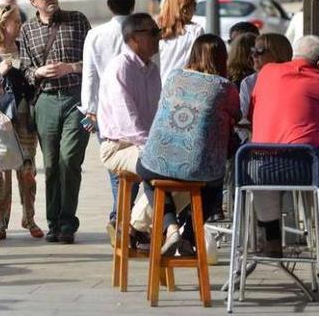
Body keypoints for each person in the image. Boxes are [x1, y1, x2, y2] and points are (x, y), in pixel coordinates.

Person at [135, 34, 239, 255]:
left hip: (155, 161)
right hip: (198, 168)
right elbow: (237, 116)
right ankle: (190, 236)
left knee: (148, 177)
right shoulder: (225, 87)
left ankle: (171, 228)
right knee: (214, 184)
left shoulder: (174, 76)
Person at [18, 0, 91, 244]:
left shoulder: (78, 20)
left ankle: (68, 222)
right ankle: (53, 223)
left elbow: (94, 63)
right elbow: (24, 72)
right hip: (45, 100)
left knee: (69, 159)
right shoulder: (27, 30)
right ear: (33, 1)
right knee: (51, 164)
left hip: (76, 99)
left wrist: (69, 67)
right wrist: (38, 71)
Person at [248, 35, 319, 256]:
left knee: (264, 165)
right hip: (303, 167)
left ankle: (272, 240)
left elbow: (252, 113)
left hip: (258, 168)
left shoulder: (267, 73)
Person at [79, 0, 137, 235]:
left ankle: (120, 216)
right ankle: (125, 216)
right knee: (135, 164)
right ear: (133, 3)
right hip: (137, 109)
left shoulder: (96, 35)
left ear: (108, 4)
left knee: (115, 166)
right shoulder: (142, 31)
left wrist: (89, 110)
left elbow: (89, 75)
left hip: (106, 111)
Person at [0, 5, 43, 240]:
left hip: (25, 116)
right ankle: (0, 224)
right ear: (1, 23)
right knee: (0, 172)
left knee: (27, 171)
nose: (19, 26)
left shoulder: (24, 48)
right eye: (15, 22)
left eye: (19, 21)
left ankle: (29, 218)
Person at [97, 14, 161, 177]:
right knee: (160, 168)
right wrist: (154, 147)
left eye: (158, 31)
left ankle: (156, 204)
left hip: (143, 144)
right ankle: (157, 203)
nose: (159, 37)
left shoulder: (153, 70)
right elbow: (127, 122)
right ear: (134, 38)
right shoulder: (121, 68)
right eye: (153, 32)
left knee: (187, 175)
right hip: (119, 147)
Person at [239, 33, 293, 133]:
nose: (254, 55)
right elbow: (243, 119)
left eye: (259, 51)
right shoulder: (249, 82)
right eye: (253, 50)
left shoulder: (294, 80)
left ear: (277, 54)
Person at [157, 0, 204, 86]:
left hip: (161, 88)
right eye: (193, 4)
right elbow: (201, 63)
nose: (195, 8)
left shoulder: (159, 33)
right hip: (184, 89)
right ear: (184, 9)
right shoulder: (195, 31)